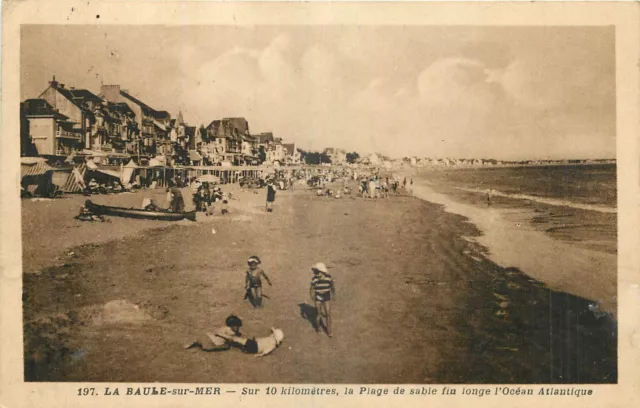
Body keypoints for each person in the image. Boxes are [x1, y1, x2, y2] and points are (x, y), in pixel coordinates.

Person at [309, 262, 335, 337]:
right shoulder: (314, 279)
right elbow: (311, 289)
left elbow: (332, 286)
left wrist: (333, 295)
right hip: (318, 297)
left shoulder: (328, 278)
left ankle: (329, 330)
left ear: (322, 272)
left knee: (328, 314)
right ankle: (318, 327)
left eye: (317, 272)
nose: (316, 273)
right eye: (315, 271)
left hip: (326, 296)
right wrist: (312, 296)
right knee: (318, 314)